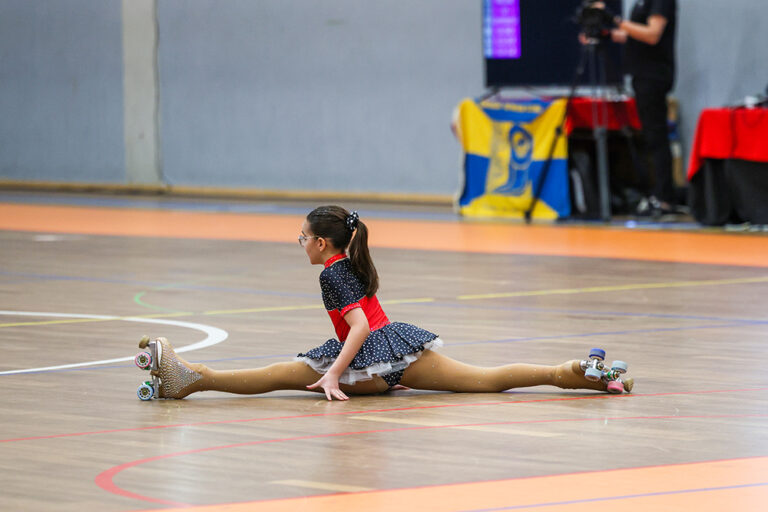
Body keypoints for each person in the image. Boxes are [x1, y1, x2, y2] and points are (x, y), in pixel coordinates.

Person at [138, 206, 633, 401]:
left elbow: (355, 329)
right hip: (402, 351)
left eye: (303, 236)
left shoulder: (334, 274)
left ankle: (190, 378)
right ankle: (573, 371)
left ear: (323, 245)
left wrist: (333, 374)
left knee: (278, 376)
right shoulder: (351, 260)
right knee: (489, 379)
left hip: (369, 363)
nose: (300, 241)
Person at [610, 0, 679, 216]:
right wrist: (606, 33)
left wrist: (617, 21)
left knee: (656, 137)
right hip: (642, 76)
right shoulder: (641, 3)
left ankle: (664, 199)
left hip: (654, 76)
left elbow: (652, 34)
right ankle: (658, 195)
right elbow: (633, 36)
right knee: (651, 137)